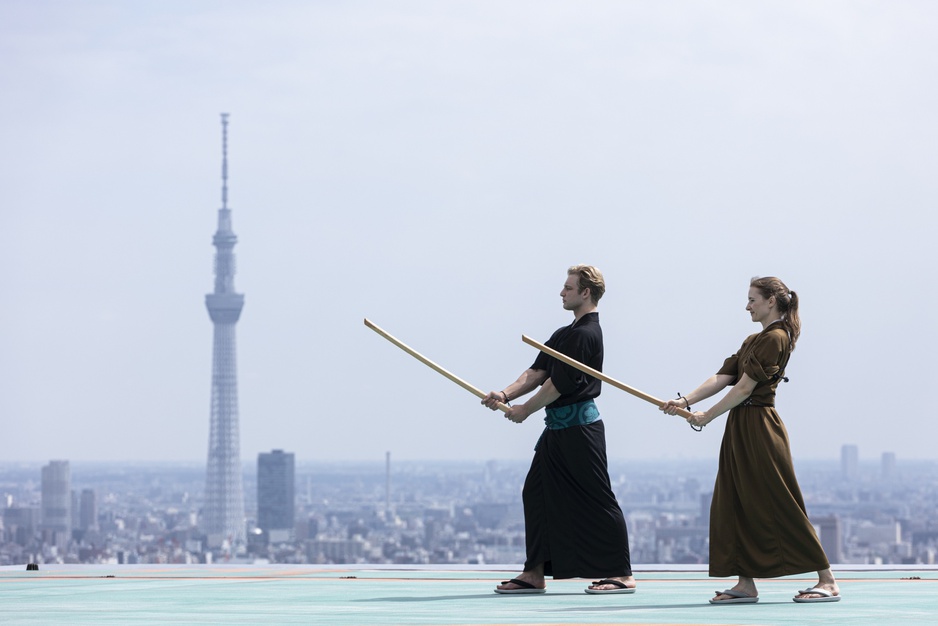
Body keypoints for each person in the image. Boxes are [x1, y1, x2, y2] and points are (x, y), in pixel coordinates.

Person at [660, 276, 841, 604]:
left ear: (771, 300)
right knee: (734, 500)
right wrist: (685, 402)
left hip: (759, 427)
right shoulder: (753, 340)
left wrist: (705, 416)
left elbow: (744, 388)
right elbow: (724, 377)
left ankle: (827, 580)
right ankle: (746, 583)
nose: (747, 306)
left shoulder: (776, 337)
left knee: (779, 499)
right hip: (740, 426)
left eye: (752, 299)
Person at [482, 265, 635, 595]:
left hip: (581, 430)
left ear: (585, 293)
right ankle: (534, 573)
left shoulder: (586, 334)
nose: (561, 293)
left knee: (598, 498)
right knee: (535, 492)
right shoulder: (565, 333)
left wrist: (524, 410)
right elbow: (537, 371)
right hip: (558, 430)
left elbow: (557, 385)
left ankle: (622, 574)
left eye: (568, 288)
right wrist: (505, 394)